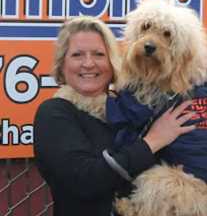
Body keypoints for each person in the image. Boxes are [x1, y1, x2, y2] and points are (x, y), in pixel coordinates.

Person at [34, 16, 196, 216]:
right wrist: (153, 141)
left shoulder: (129, 105)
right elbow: (84, 181)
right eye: (77, 55)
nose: (88, 63)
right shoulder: (54, 112)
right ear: (62, 64)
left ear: (113, 62)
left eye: (99, 54)